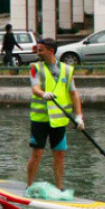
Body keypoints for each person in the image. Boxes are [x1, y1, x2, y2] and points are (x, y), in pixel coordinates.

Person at [27, 37, 83, 190]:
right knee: (37, 154)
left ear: (50, 51)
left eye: (41, 50)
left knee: (60, 155)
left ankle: (60, 188)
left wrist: (79, 117)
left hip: (59, 121)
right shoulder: (35, 68)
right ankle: (29, 186)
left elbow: (73, 94)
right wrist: (43, 94)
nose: (38, 53)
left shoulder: (67, 70)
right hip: (40, 119)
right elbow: (35, 88)